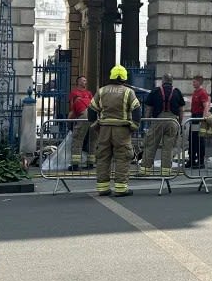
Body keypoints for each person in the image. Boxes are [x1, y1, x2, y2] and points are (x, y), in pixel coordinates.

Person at [87, 65, 142, 196]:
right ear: (124, 77)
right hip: (122, 130)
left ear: (111, 76)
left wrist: (95, 126)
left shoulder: (102, 91)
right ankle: (121, 188)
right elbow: (137, 110)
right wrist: (134, 126)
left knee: (103, 158)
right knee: (123, 157)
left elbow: (91, 109)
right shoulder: (128, 92)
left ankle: (103, 188)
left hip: (104, 129)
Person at [141, 73, 185, 174]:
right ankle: (165, 171)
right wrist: (179, 123)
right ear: (171, 81)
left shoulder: (155, 91)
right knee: (168, 147)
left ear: (163, 80)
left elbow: (149, 108)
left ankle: (145, 170)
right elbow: (181, 110)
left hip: (158, 121)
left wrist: (146, 121)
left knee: (151, 144)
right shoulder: (177, 92)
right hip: (172, 121)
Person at [69, 75, 94, 169]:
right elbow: (72, 109)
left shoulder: (89, 93)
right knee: (82, 139)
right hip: (85, 116)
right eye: (83, 80)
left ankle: (84, 163)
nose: (85, 82)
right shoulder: (74, 93)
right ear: (78, 82)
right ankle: (78, 164)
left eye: (85, 80)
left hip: (89, 115)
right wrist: (71, 120)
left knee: (82, 139)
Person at [186, 75, 210, 169]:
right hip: (194, 117)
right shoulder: (195, 92)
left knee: (199, 139)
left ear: (199, 82)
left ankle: (200, 161)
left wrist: (203, 119)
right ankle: (192, 160)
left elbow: (206, 106)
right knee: (192, 139)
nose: (193, 83)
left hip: (199, 117)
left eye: (194, 82)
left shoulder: (202, 93)